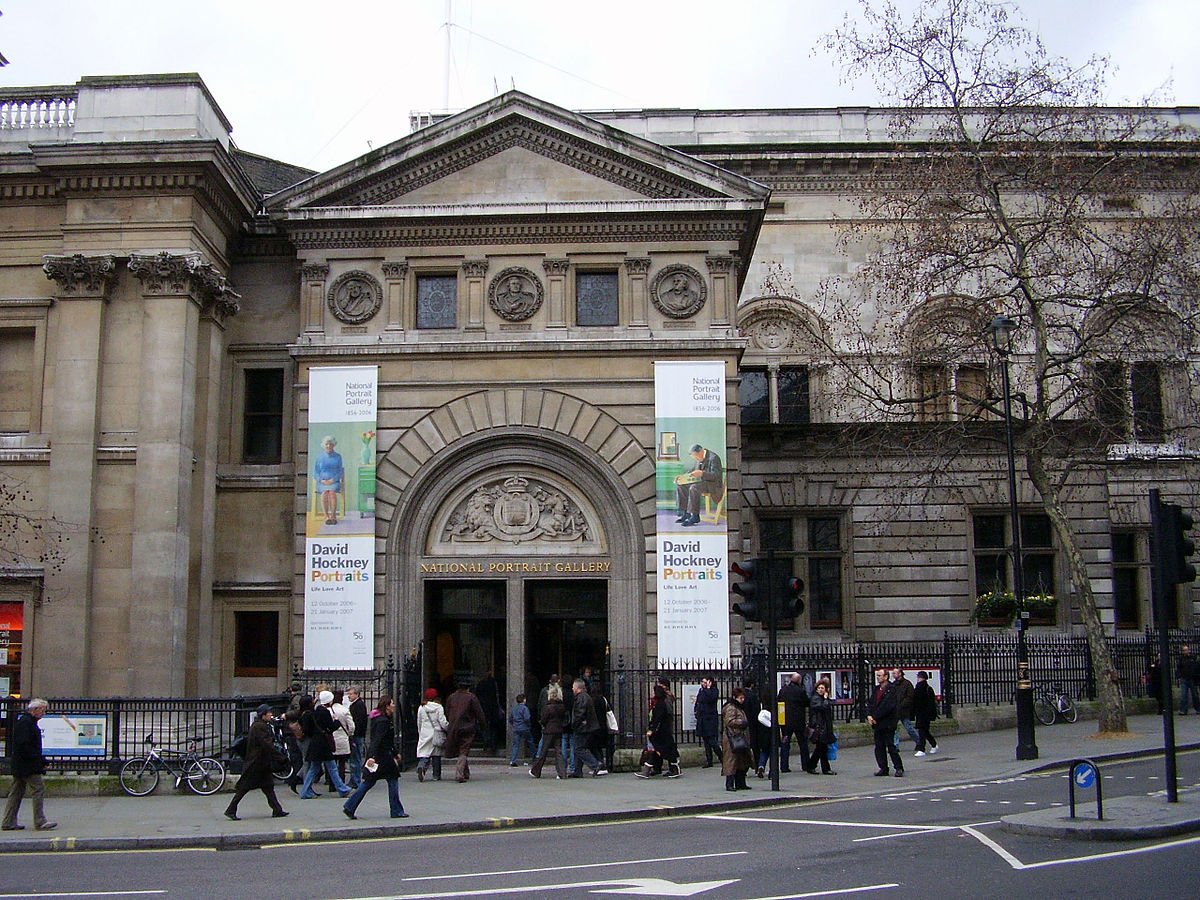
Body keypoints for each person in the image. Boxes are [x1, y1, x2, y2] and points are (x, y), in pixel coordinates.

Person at [343, 696, 408, 820]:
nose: (394, 706)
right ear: (387, 706)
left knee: (368, 782)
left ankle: (350, 806)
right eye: (392, 703)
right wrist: (372, 756)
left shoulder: (380, 719)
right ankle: (396, 810)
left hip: (381, 756)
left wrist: (395, 752)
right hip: (382, 757)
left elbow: (386, 740)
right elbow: (377, 740)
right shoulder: (383, 721)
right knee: (392, 780)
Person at [224, 704, 289, 821]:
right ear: (263, 715)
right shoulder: (259, 727)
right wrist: (280, 756)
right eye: (269, 713)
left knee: (268, 787)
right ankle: (231, 809)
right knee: (244, 788)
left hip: (262, 763)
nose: (271, 714)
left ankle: (277, 810)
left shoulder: (261, 725)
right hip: (256, 763)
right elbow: (267, 744)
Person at [2, 698, 56, 832]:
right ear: (35, 710)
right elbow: (25, 746)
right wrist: (40, 760)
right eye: (42, 710)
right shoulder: (26, 724)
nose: (44, 713)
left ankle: (8, 821)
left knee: (16, 793)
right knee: (38, 789)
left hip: (21, 765)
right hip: (28, 766)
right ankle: (40, 821)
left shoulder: (26, 722)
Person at [299, 690, 352, 799]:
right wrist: (337, 722)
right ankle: (342, 789)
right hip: (323, 743)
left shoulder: (316, 711)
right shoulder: (325, 712)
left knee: (314, 768)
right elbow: (330, 728)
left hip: (316, 743)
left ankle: (305, 790)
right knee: (331, 767)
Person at [444, 681, 486, 783]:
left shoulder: (451, 697)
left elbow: (447, 712)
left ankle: (465, 772)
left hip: (453, 726)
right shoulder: (471, 697)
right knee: (464, 750)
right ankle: (459, 773)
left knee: (461, 749)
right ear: (468, 688)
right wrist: (483, 724)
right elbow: (479, 712)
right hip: (467, 727)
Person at [674, 443, 723, 527]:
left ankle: (695, 516)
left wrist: (702, 474)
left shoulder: (714, 458)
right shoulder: (699, 458)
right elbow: (692, 471)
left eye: (696, 456)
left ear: (700, 452)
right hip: (702, 482)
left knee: (694, 488)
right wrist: (682, 478)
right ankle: (685, 513)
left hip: (713, 485)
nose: (696, 458)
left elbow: (716, 475)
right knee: (681, 486)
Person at [637, 680, 680, 778]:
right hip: (660, 730)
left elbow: (659, 717)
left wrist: (652, 729)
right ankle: (651, 770)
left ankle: (672, 768)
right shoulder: (659, 702)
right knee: (656, 750)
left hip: (662, 730)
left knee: (662, 749)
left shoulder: (662, 702)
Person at [867, 668, 904, 777]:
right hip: (877, 723)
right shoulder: (876, 689)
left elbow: (887, 707)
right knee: (879, 747)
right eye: (877, 675)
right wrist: (869, 715)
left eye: (880, 675)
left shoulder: (891, 689)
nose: (878, 677)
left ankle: (898, 767)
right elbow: (871, 703)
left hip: (887, 722)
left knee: (891, 746)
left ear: (886, 677)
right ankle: (883, 767)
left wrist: (875, 716)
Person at [568, 678, 607, 777]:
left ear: (578, 688)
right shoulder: (585, 697)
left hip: (583, 728)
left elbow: (579, 714)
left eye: (573, 687)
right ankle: (577, 771)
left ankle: (595, 764)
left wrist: (574, 724)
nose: (572, 689)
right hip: (587, 727)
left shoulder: (581, 698)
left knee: (579, 749)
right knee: (579, 748)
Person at [529, 684, 568, 779]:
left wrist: (542, 723)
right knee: (558, 752)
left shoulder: (548, 707)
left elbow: (543, 719)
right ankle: (562, 773)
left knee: (543, 752)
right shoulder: (562, 706)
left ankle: (536, 770)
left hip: (549, 731)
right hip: (558, 730)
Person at [777, 672, 811, 774]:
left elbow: (779, 702)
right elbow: (807, 703)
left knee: (785, 744)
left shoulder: (783, 690)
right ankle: (805, 765)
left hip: (785, 722)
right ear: (799, 680)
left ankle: (784, 766)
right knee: (803, 744)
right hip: (798, 722)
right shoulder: (800, 691)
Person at [721, 687, 754, 791]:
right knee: (731, 761)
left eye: (743, 698)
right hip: (732, 738)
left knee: (741, 762)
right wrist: (742, 723)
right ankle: (729, 784)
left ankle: (741, 783)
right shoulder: (731, 707)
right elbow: (729, 721)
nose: (742, 700)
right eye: (740, 698)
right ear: (735, 698)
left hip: (739, 737)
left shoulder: (738, 707)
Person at [415, 688, 449, 782]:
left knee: (425, 753)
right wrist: (448, 728)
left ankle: (421, 766)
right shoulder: (439, 707)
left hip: (425, 732)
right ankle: (436, 775)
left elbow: (419, 722)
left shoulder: (421, 707)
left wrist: (420, 732)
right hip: (436, 732)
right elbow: (442, 721)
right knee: (436, 754)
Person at [805, 679, 836, 775]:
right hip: (819, 728)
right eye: (819, 688)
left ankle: (816, 767)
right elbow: (822, 707)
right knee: (820, 749)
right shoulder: (816, 698)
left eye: (822, 688)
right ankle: (815, 767)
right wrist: (826, 699)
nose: (820, 690)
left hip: (824, 727)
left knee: (822, 749)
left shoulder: (822, 698)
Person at [313, 436, 344, 526]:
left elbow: (340, 471)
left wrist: (333, 480)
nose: (328, 446)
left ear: (333, 445)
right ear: (324, 445)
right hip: (322, 482)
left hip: (334, 481)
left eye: (330, 444)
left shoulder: (338, 457)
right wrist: (321, 480)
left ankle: (333, 516)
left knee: (332, 493)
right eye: (327, 444)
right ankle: (326, 516)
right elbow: (316, 472)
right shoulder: (319, 457)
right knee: (324, 493)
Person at [474, 670, 504, 754]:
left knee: (485, 727)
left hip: (484, 709)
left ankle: (487, 742)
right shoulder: (494, 684)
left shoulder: (481, 684)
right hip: (492, 709)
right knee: (493, 728)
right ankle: (492, 745)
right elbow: (497, 697)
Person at [330, 689, 355, 785]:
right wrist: (349, 733)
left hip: (331, 738)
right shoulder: (344, 710)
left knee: (331, 763)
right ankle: (341, 782)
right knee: (341, 763)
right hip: (343, 738)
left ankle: (331, 784)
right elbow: (351, 726)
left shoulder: (329, 710)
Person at [912, 671, 940, 757]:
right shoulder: (929, 688)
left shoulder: (920, 687)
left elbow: (916, 700)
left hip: (921, 713)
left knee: (922, 731)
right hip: (927, 713)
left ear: (920, 677)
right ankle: (934, 745)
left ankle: (922, 749)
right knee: (925, 731)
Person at [890, 668, 920, 749]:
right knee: (894, 729)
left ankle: (919, 741)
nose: (893, 675)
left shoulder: (907, 684)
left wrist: (902, 704)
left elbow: (910, 697)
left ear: (900, 674)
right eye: (893, 673)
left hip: (904, 710)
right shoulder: (893, 684)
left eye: (895, 673)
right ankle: (895, 746)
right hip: (895, 710)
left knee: (909, 728)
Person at [345, 686, 368, 788]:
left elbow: (359, 722)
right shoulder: (355, 705)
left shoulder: (358, 705)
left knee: (356, 758)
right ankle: (354, 780)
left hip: (357, 735)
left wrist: (353, 734)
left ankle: (356, 780)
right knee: (354, 758)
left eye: (350, 694)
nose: (348, 696)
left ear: (356, 694)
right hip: (357, 734)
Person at [508, 693, 533, 766]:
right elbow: (527, 718)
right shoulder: (525, 708)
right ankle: (535, 757)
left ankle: (513, 760)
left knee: (515, 745)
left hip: (516, 728)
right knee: (530, 742)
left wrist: (514, 724)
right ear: (524, 700)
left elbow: (510, 719)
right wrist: (528, 725)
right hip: (525, 728)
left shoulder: (514, 708)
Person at [1177, 645, 1199, 715]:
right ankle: (1183, 710)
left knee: (1195, 695)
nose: (1186, 651)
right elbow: (1179, 668)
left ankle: (1198, 708)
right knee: (1183, 695)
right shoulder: (1181, 659)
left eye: (1187, 650)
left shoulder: (1193, 657)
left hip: (1192, 678)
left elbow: (1196, 666)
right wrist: (1179, 675)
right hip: (1184, 678)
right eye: (1184, 650)